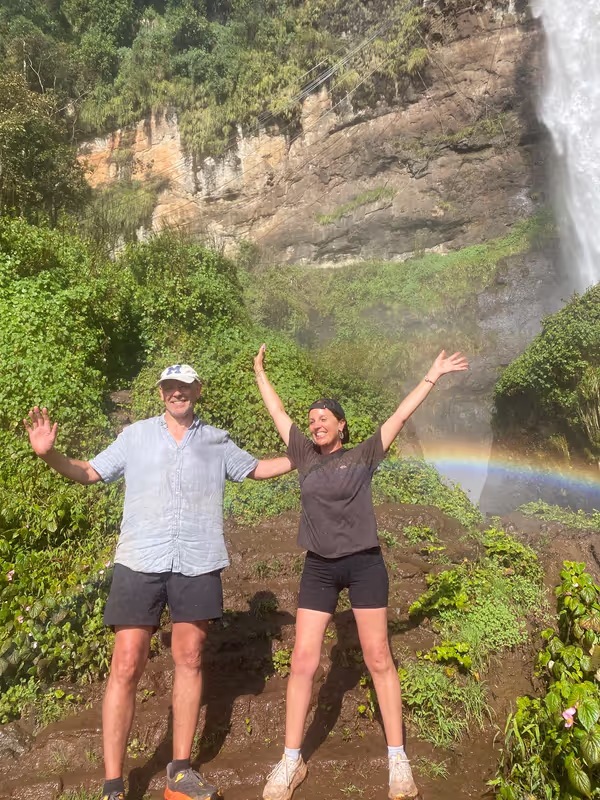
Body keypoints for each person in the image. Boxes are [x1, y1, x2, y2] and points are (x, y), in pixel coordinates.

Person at [23, 363, 293, 800]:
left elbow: (256, 468)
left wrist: (303, 455)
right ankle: (113, 785)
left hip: (197, 559)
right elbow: (90, 471)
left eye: (185, 387)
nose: (177, 393)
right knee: (126, 663)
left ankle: (180, 773)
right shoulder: (135, 436)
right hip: (139, 560)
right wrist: (50, 455)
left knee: (189, 657)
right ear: (161, 392)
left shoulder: (216, 440)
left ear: (197, 392)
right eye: (170, 387)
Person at [253, 346, 468, 800]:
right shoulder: (303, 454)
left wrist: (432, 375)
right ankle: (291, 761)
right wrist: (259, 372)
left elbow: (400, 416)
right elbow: (275, 409)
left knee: (379, 659)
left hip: (365, 563)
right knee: (303, 662)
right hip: (318, 567)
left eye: (323, 417)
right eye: (310, 419)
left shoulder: (366, 453)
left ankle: (398, 761)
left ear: (341, 424)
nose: (315, 423)